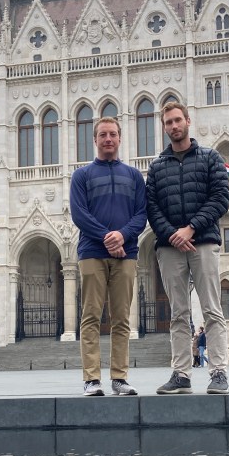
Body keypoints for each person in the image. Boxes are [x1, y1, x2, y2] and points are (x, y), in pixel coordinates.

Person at [147, 101, 229, 394]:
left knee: (212, 309)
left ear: (187, 121)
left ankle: (218, 372)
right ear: (164, 127)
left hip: (203, 242)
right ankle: (181, 374)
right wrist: (173, 235)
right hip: (170, 247)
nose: (173, 126)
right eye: (168, 122)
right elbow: (152, 207)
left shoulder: (210, 157)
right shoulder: (157, 167)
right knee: (178, 313)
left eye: (177, 120)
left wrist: (191, 228)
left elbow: (220, 198)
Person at [70, 115, 147, 396]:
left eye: (112, 134)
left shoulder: (134, 176)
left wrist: (122, 236)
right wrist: (108, 237)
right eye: (103, 135)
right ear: (95, 139)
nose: (108, 139)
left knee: (121, 318)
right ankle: (92, 379)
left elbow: (141, 214)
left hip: (126, 253)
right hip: (92, 252)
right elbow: (80, 215)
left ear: (120, 138)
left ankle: (119, 378)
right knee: (90, 315)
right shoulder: (81, 176)